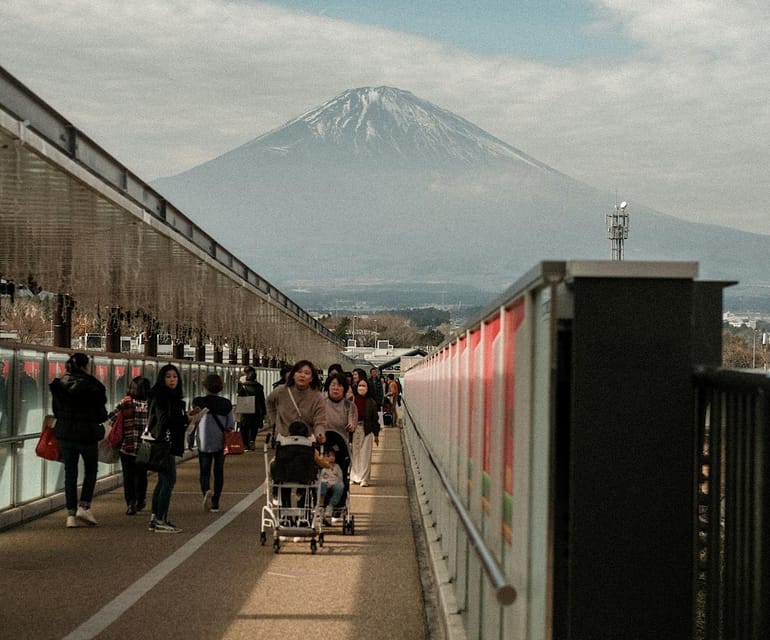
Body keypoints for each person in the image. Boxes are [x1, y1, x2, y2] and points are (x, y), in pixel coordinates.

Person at [49, 353, 108, 528]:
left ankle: (70, 516)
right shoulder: (92, 386)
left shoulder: (59, 386)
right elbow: (101, 414)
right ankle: (84, 506)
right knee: (90, 470)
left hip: (66, 434)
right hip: (86, 434)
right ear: (85, 366)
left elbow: (56, 412)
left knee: (70, 473)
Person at [147, 364, 196, 533]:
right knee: (168, 480)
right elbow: (165, 420)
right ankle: (160, 518)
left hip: (162, 442)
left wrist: (184, 417)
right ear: (162, 378)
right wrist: (185, 420)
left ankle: (156, 517)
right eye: (168, 376)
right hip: (165, 443)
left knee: (163, 480)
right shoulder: (164, 397)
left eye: (174, 376)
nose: (172, 380)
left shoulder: (164, 395)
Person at [192, 373, 235, 513]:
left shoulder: (198, 402)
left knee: (204, 471)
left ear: (205, 386)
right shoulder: (226, 403)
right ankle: (216, 502)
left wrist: (189, 439)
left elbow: (193, 422)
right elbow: (230, 425)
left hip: (204, 441)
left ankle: (206, 491)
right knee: (218, 471)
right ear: (220, 387)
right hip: (221, 442)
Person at [109, 376, 151, 515]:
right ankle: (141, 500)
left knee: (128, 476)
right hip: (145, 446)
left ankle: (130, 503)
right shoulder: (150, 404)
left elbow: (112, 418)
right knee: (141, 474)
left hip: (127, 445)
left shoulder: (126, 402)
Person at [266, 359, 327, 441]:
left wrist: (320, 433)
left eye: (307, 373)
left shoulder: (317, 396)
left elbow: (319, 420)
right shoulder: (281, 391)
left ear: (311, 378)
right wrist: (275, 421)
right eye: (299, 372)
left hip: (307, 439)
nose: (302, 375)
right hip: (284, 438)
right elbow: (269, 402)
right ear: (293, 375)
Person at [349, 377, 380, 487]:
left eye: (364, 386)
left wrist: (376, 434)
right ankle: (354, 475)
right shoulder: (352, 400)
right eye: (359, 386)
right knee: (355, 453)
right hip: (355, 429)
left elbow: (375, 419)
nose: (361, 388)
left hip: (367, 430)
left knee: (365, 454)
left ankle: (364, 478)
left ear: (368, 388)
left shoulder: (371, 402)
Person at [237, 366, 266, 450]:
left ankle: (245, 444)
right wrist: (263, 411)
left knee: (244, 427)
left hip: (245, 409)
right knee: (254, 427)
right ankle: (252, 441)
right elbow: (262, 399)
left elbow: (240, 397)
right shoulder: (259, 387)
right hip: (256, 409)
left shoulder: (243, 386)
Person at [319, 449, 344, 524]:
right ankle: (321, 505)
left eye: (333, 456)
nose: (332, 457)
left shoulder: (337, 467)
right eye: (329, 456)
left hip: (335, 482)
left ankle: (330, 506)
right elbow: (320, 476)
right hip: (325, 482)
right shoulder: (322, 467)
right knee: (322, 485)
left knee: (340, 487)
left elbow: (340, 477)